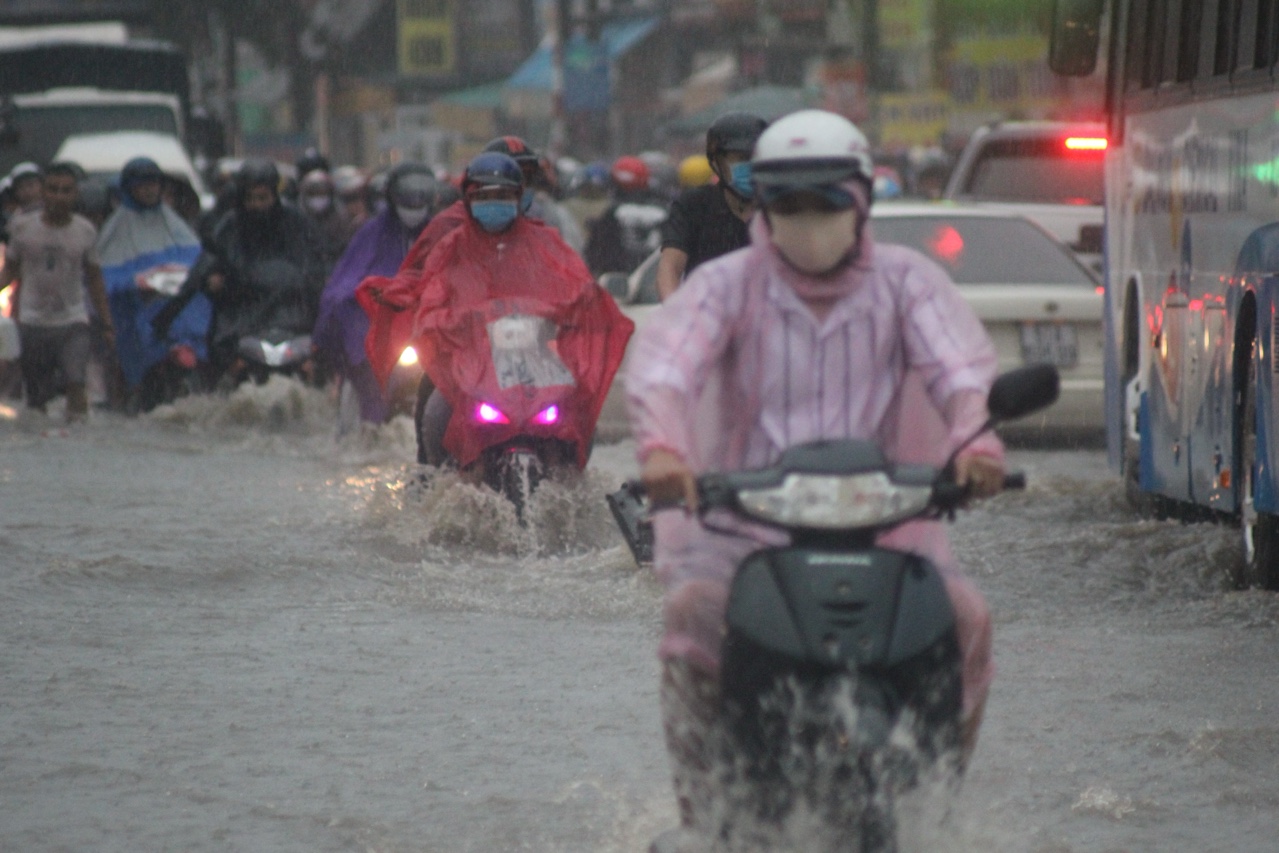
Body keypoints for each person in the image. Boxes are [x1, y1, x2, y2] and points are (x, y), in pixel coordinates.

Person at [625, 110, 1005, 849]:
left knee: (966, 618)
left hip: (889, 526)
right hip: (744, 529)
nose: (808, 221)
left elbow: (959, 371)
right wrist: (665, 450)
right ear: (762, 205)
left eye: (824, 202)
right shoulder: (726, 287)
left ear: (860, 199)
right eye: (788, 204)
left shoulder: (906, 284)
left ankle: (935, 804)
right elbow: (668, 368)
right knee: (691, 618)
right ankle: (702, 816)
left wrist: (976, 443)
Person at [408, 152, 632, 466]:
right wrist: (452, 321)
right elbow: (431, 303)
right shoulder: (451, 249)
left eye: (503, 196)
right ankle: (436, 482)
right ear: (469, 200)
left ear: (519, 199)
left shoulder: (547, 244)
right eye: (485, 197)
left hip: (538, 361)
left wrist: (575, 311)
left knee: (578, 414)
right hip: (472, 364)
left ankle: (573, 490)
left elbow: (578, 288)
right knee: (436, 413)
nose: (494, 204)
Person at [154, 159, 323, 384]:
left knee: (316, 364)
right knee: (224, 367)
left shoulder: (297, 223)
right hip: (241, 316)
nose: (257, 205)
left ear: (274, 195)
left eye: (263, 198)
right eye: (250, 198)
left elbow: (317, 264)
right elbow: (204, 267)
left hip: (290, 314)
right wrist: (210, 283)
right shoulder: (229, 227)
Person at [313, 162, 438, 426]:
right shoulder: (372, 234)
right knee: (370, 388)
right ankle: (370, 426)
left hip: (426, 332)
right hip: (380, 335)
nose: (414, 202)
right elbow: (342, 289)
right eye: (407, 195)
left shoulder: (441, 233)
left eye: (421, 195)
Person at [0, 162, 114, 421]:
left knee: (76, 382)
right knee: (37, 398)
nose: (59, 197)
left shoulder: (85, 232)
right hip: (32, 322)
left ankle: (79, 439)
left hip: (73, 321)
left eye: (66, 190)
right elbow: (10, 271)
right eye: (53, 189)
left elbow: (95, 279)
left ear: (75, 195)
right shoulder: (22, 229)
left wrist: (107, 324)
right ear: (43, 193)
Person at [96, 157, 209, 412]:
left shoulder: (175, 226)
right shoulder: (116, 230)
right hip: (136, 311)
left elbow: (195, 262)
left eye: (153, 184)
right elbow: (105, 278)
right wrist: (136, 282)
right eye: (142, 185)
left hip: (177, 308)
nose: (149, 190)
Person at [656, 113, 768, 301]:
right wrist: (675, 316)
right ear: (716, 162)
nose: (748, 167)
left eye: (754, 159)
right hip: (706, 319)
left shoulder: (780, 208)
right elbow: (670, 268)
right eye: (740, 159)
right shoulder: (693, 206)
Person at [482, 136, 584, 252]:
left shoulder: (547, 219)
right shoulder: (462, 237)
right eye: (513, 178)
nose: (522, 187)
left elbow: (571, 259)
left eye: (527, 178)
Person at [583, 155, 670, 277]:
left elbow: (596, 254)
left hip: (619, 281)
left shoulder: (613, 212)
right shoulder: (665, 211)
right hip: (656, 281)